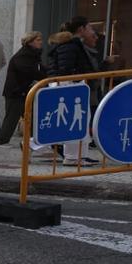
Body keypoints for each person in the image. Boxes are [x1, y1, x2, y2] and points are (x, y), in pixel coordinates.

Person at [50, 16, 103, 165]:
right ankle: (72, 157)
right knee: (70, 124)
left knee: (79, 123)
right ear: (81, 29)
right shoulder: (70, 45)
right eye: (90, 28)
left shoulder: (75, 44)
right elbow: (65, 69)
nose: (93, 31)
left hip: (76, 87)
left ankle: (79, 155)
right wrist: (76, 78)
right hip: (71, 87)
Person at [0, 31, 43, 146]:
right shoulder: (24, 55)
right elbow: (28, 71)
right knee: (12, 117)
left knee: (31, 117)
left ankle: (34, 141)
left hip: (25, 91)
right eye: (38, 40)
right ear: (30, 42)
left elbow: (39, 69)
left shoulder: (34, 55)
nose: (40, 42)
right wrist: (43, 76)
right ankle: (2, 141)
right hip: (16, 92)